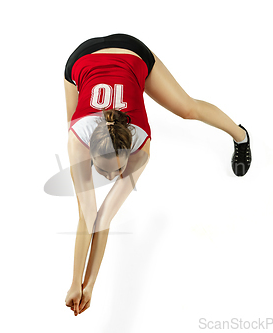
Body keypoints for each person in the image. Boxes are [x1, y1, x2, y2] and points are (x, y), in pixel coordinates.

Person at [63, 33, 252, 316]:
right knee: (82, 197)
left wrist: (87, 283)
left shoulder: (141, 148)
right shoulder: (77, 140)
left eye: (118, 170)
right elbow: (87, 217)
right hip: (80, 59)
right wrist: (80, 284)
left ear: (129, 153)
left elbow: (103, 218)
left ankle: (240, 135)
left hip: (131, 52)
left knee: (187, 108)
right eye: (105, 170)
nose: (114, 178)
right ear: (89, 150)